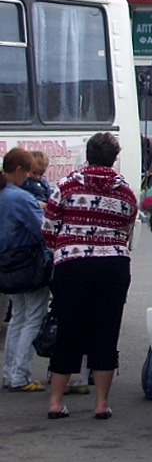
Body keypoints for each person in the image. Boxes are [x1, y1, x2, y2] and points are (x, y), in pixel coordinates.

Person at [42, 133, 137, 420]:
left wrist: (61, 250)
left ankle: (56, 402)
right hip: (113, 266)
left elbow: (49, 228)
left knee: (68, 330)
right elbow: (128, 229)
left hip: (73, 265)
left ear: (88, 153)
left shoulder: (66, 185)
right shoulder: (125, 191)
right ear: (114, 158)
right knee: (106, 331)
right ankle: (101, 403)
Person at [1, 147, 49, 393]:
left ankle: (10, 372)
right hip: (27, 264)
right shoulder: (20, 198)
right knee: (33, 317)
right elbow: (42, 230)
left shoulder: (4, 194)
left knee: (18, 317)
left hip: (7, 264)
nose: (30, 176)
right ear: (18, 170)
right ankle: (20, 375)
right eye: (28, 171)